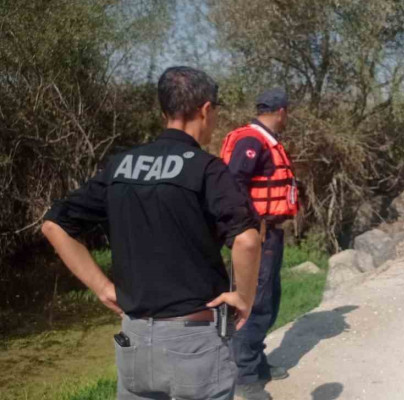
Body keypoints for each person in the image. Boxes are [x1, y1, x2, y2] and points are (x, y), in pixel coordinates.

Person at [41, 66, 262, 400]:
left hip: (133, 342)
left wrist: (102, 287)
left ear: (164, 112)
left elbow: (54, 224)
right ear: (205, 109)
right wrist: (243, 297)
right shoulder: (206, 168)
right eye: (215, 111)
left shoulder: (120, 165)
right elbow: (246, 239)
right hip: (194, 341)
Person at [220, 88, 300, 400]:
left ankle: (257, 362)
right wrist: (255, 225)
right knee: (253, 303)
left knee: (268, 300)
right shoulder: (252, 140)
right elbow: (233, 185)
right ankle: (246, 377)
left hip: (269, 233)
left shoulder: (263, 138)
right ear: (281, 111)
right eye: (288, 111)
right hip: (258, 236)